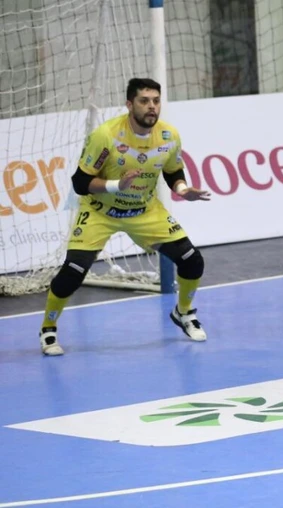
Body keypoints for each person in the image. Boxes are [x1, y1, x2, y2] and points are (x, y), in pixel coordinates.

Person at [38, 78, 211, 356]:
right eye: (144, 101)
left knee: (192, 260)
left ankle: (184, 312)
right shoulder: (106, 136)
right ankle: (48, 328)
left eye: (156, 100)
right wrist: (116, 185)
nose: (151, 107)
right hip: (99, 212)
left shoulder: (169, 136)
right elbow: (80, 182)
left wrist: (183, 189)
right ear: (129, 104)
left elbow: (172, 171)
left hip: (144, 211)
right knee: (73, 272)